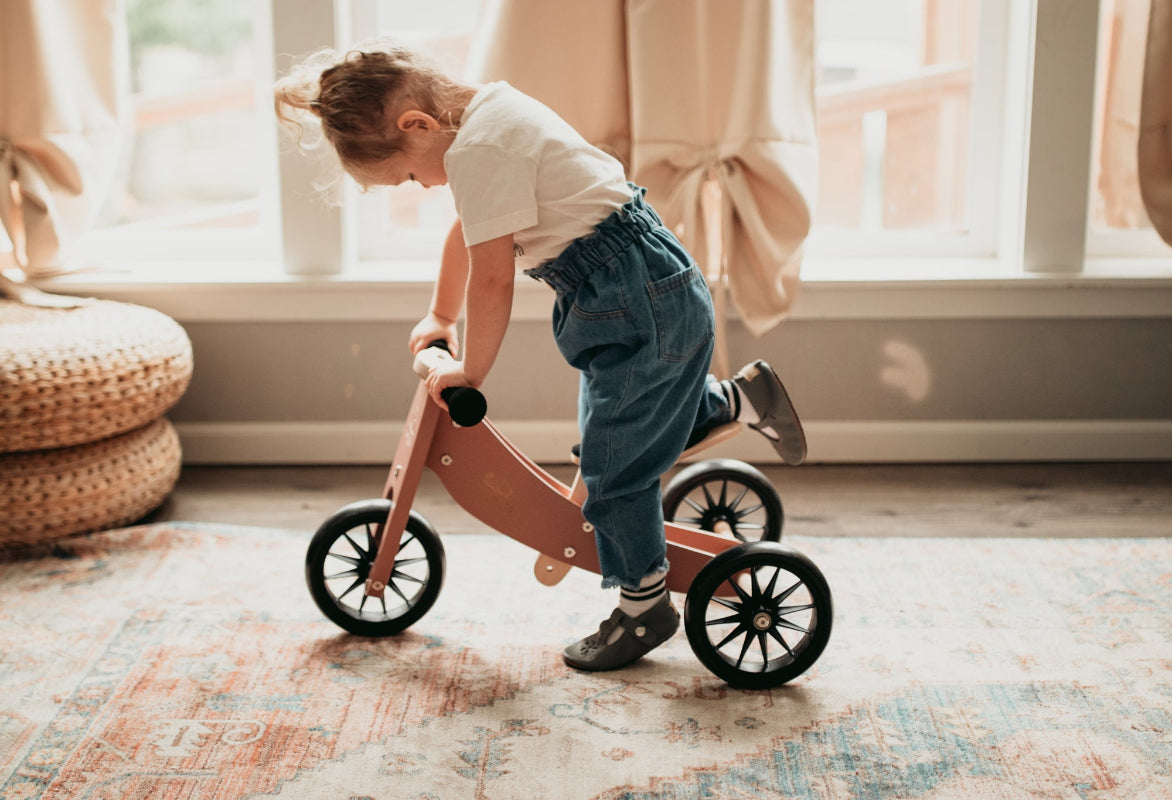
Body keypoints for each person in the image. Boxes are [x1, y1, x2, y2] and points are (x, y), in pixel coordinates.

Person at [274, 42, 806, 671]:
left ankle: (644, 606)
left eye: (410, 175)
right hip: (631, 291)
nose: (422, 184)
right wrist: (440, 317)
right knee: (617, 435)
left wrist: (469, 371)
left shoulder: (482, 150)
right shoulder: (487, 115)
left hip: (638, 301)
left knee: (611, 476)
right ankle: (739, 400)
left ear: (415, 126)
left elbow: (493, 278)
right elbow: (467, 233)